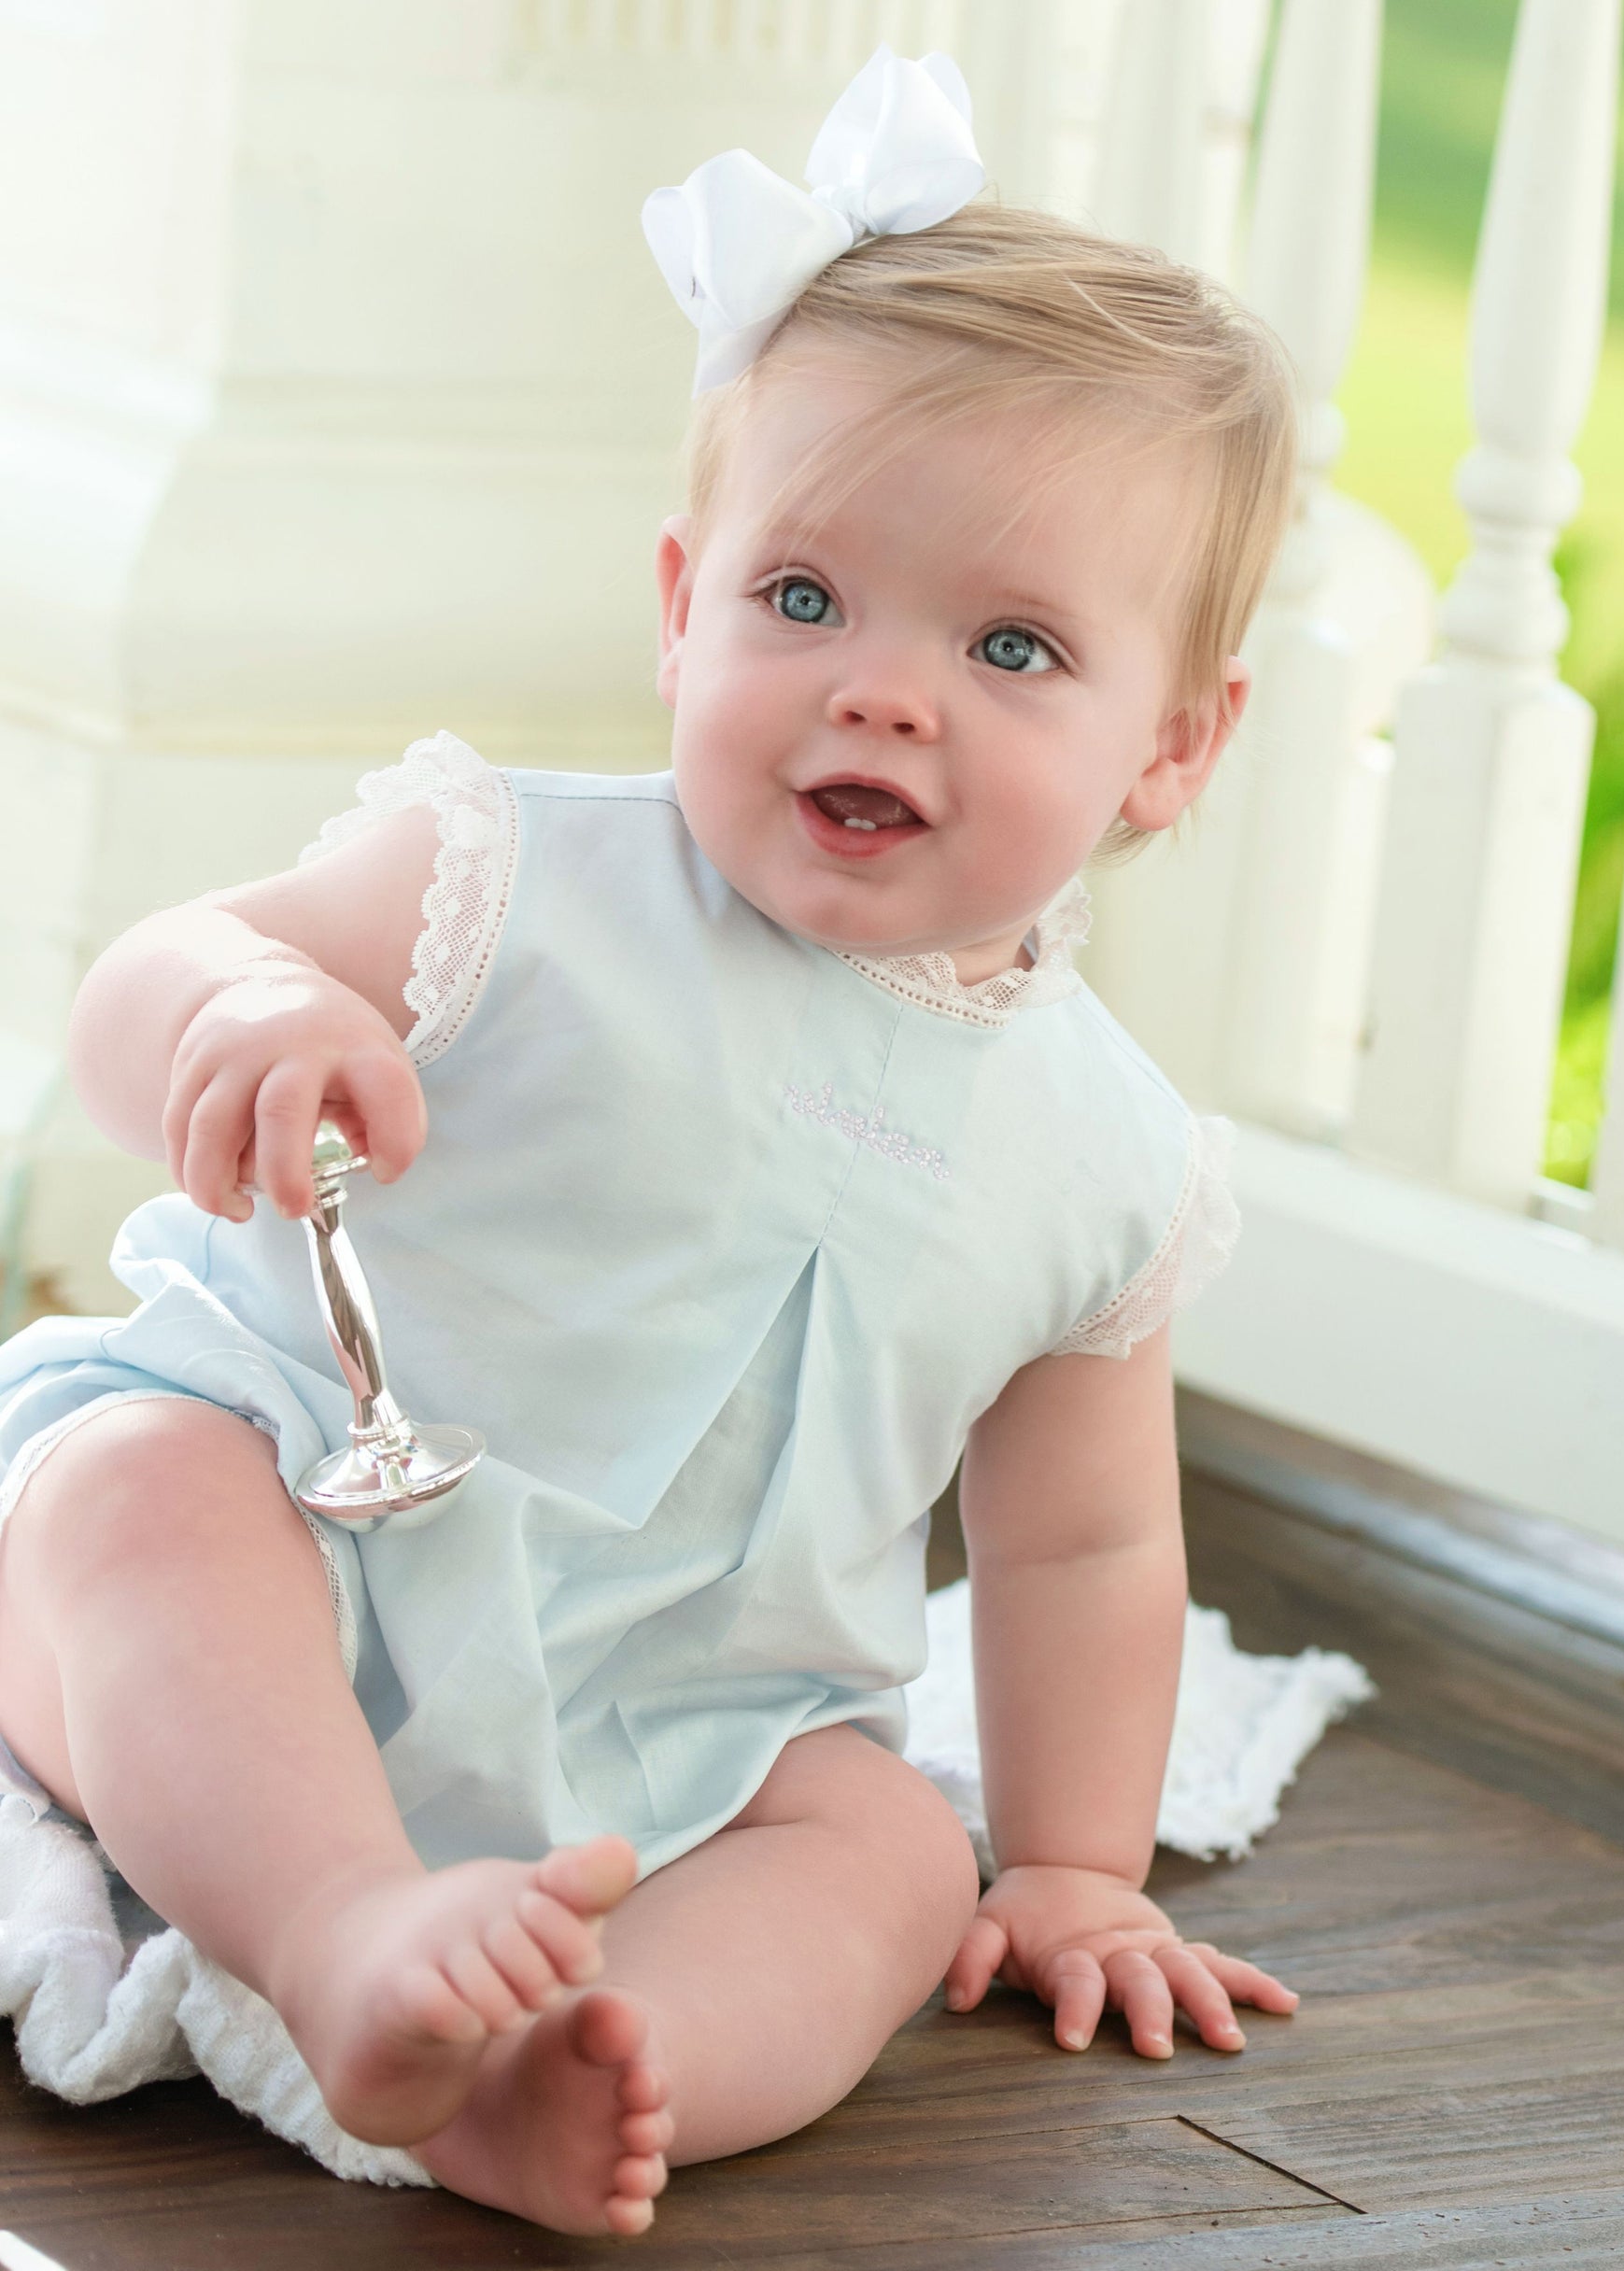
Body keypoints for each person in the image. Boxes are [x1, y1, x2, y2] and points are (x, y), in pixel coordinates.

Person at [0, 49, 1303, 2240]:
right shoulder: (508, 877)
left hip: (683, 1719)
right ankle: (339, 1937)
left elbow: (1081, 1551)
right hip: (296, 1537)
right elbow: (158, 968)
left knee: (886, 1853)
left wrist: (1070, 1864)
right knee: (122, 1499)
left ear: (1170, 748)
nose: (883, 689)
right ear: (684, 599)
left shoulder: (1104, 1160)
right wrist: (241, 1008)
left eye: (1010, 645)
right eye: (807, 599)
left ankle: (588, 2071)